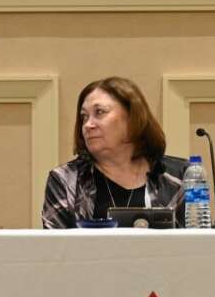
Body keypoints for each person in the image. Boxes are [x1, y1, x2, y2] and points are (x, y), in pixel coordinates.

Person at [42, 76, 185, 228]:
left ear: (132, 118)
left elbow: (198, 246)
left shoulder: (178, 177)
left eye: (99, 112)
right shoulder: (66, 180)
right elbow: (55, 249)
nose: (88, 125)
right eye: (84, 116)